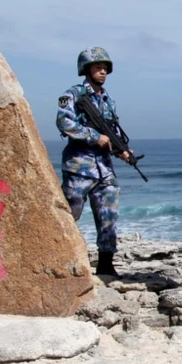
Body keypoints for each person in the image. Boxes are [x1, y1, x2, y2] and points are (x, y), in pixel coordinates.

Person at [57, 47, 132, 277]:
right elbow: (65, 123)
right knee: (69, 214)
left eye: (105, 68)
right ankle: (59, 256)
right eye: (97, 67)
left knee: (108, 215)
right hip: (79, 166)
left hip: (104, 169)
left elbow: (111, 131)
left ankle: (106, 264)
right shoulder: (73, 95)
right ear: (86, 69)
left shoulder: (108, 100)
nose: (102, 72)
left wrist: (122, 150)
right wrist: (93, 137)